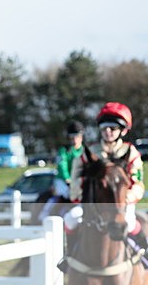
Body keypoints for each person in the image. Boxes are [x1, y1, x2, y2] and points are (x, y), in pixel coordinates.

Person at [58, 102, 146, 271]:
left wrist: (123, 199)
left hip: (121, 204)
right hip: (93, 204)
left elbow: (138, 184)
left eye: (112, 128)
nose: (108, 132)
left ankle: (145, 252)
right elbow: (76, 177)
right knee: (70, 219)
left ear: (123, 130)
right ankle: (69, 256)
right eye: (104, 128)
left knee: (129, 220)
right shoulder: (89, 152)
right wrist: (79, 195)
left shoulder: (131, 153)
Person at [56, 120, 84, 188]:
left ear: (81, 137)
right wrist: (67, 178)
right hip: (64, 182)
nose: (74, 140)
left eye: (77, 137)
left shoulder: (86, 151)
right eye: (72, 137)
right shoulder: (63, 150)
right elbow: (62, 166)